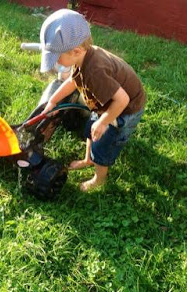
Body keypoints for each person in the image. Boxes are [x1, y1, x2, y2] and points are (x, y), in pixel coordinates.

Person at [40, 9, 146, 191]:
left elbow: (122, 100)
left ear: (76, 51)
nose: (56, 62)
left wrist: (104, 122)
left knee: (102, 145)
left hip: (125, 110)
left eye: (57, 57)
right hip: (104, 105)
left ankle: (99, 179)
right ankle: (88, 159)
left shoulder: (95, 72)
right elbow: (73, 81)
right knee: (90, 129)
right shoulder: (82, 58)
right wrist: (53, 101)